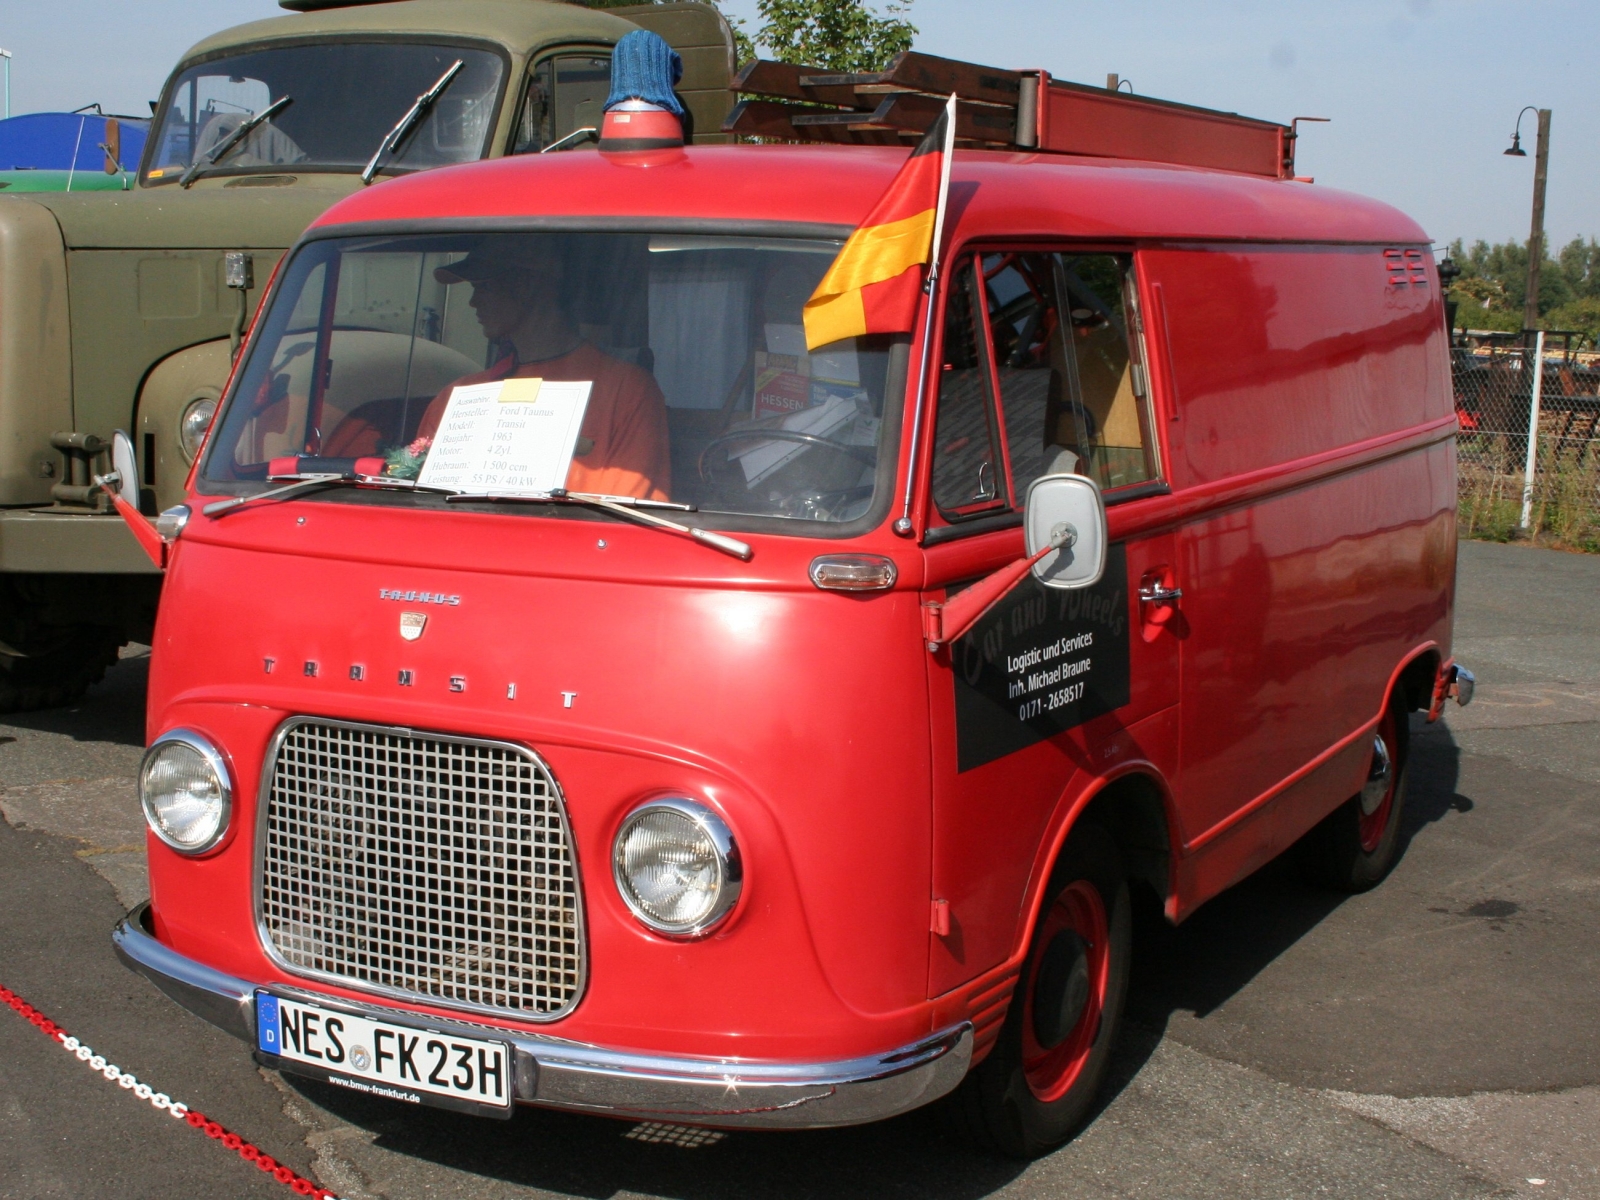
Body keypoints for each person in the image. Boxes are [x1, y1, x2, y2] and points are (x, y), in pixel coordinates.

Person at [333, 236, 671, 500]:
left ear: (529, 286)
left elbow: (626, 520)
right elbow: (425, 504)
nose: (473, 302)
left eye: (484, 286)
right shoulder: (458, 396)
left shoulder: (626, 390)